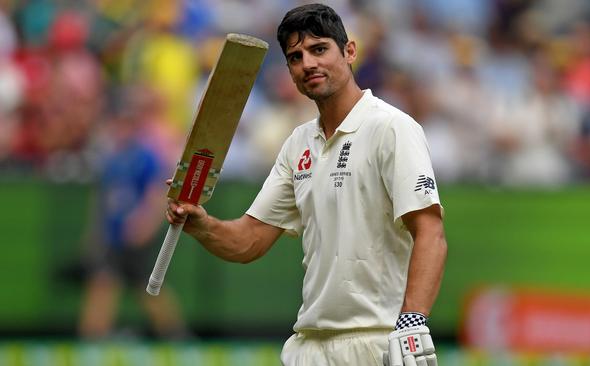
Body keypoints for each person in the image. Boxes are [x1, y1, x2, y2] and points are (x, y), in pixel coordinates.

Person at [166, 4, 447, 365]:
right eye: (296, 57)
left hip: (375, 341)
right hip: (308, 347)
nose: (308, 64)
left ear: (349, 52)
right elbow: (249, 239)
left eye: (319, 49)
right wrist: (200, 224)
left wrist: (412, 320)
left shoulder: (392, 128)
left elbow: (431, 233)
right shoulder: (298, 143)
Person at [78, 86, 188, 340]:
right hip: (115, 236)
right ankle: (92, 339)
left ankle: (175, 335)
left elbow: (156, 193)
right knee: (103, 284)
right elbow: (103, 199)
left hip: (136, 235)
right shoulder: (113, 158)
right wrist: (96, 232)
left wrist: (145, 224)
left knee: (147, 288)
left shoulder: (145, 156)